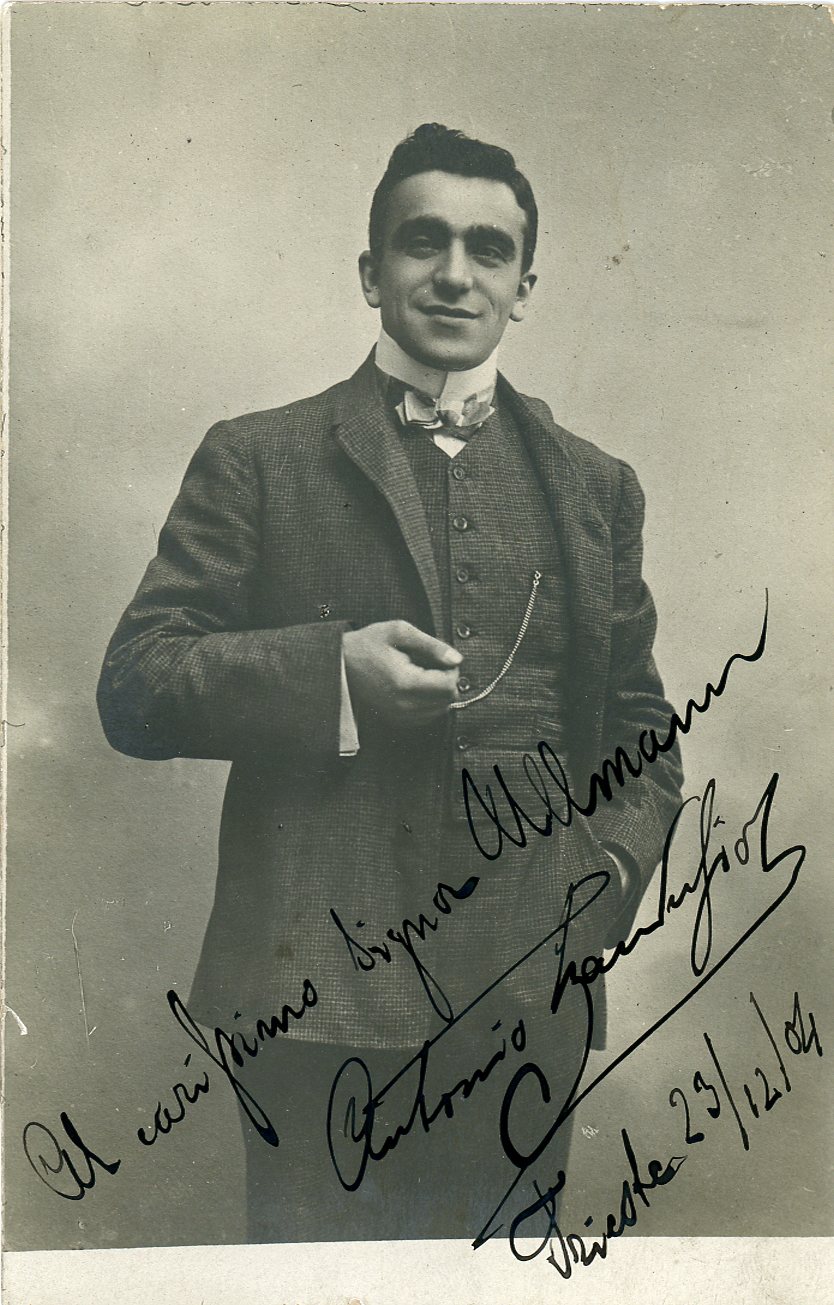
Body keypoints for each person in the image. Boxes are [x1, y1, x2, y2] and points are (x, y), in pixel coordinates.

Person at [97, 123, 683, 1244]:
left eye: (488, 249)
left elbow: (641, 729)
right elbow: (136, 683)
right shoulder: (258, 455)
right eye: (424, 242)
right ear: (372, 272)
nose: (455, 274)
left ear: (524, 287)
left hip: (529, 996)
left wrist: (604, 883)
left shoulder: (597, 487)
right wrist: (333, 675)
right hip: (315, 999)